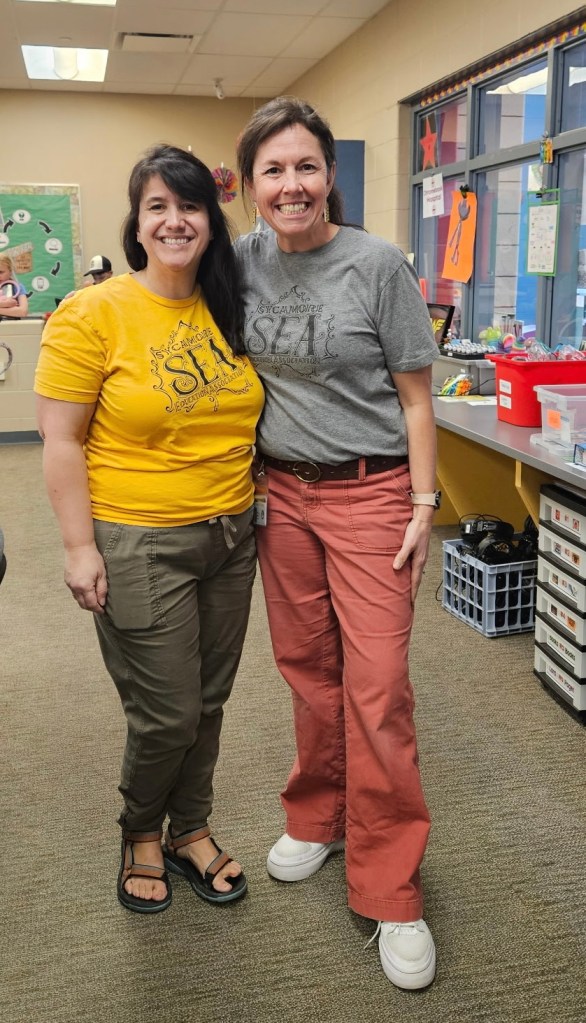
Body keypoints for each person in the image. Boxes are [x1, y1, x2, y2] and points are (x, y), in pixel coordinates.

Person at [235, 97, 440, 990]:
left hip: (372, 491)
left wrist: (424, 503)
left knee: (379, 686)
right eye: (273, 170)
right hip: (281, 494)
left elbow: (417, 399)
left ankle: (392, 884)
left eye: (306, 167)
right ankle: (317, 815)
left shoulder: (377, 264)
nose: (292, 185)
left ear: (330, 176)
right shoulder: (238, 262)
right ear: (250, 185)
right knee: (308, 671)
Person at [34, 143, 264, 915]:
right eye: (157, 206)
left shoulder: (229, 304)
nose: (175, 220)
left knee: (210, 698)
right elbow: (60, 439)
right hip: (139, 540)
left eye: (190, 205)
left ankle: (190, 826)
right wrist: (79, 547)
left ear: (211, 220)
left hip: (231, 535)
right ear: (136, 223)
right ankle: (140, 830)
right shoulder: (91, 313)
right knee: (167, 711)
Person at [0, 254, 29, 318]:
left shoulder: (18, 287)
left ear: (10, 271)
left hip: (11, 323)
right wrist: (6, 304)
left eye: (1, 272)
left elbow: (23, 312)